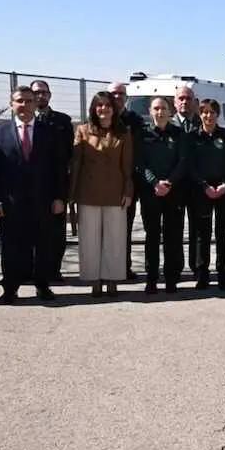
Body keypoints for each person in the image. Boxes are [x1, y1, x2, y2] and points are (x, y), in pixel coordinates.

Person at [0, 86, 68, 303]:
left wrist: (59, 197)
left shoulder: (49, 132)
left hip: (43, 201)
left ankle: (42, 286)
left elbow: (59, 168)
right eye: (19, 101)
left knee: (44, 246)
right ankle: (10, 289)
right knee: (12, 247)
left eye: (29, 101)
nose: (24, 105)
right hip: (11, 202)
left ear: (35, 104)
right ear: (11, 104)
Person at [70, 91, 134, 297]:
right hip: (88, 193)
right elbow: (76, 163)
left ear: (113, 109)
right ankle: (94, 280)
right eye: (99, 105)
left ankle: (113, 279)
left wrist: (128, 191)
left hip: (116, 194)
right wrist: (72, 195)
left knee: (115, 239)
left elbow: (127, 167)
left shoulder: (124, 133)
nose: (103, 109)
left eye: (107, 105)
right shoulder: (82, 130)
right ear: (93, 109)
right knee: (89, 239)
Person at [137, 96, 188, 293]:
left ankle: (171, 278)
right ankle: (151, 279)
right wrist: (154, 182)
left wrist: (169, 182)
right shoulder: (143, 134)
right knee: (152, 237)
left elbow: (182, 161)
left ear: (170, 111)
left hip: (173, 192)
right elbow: (140, 163)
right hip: (151, 193)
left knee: (172, 237)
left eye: (163, 108)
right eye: (156, 108)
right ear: (150, 111)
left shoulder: (179, 134)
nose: (160, 112)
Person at [189, 99, 225, 290]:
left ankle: (223, 274)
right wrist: (204, 186)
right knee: (202, 234)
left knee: (222, 234)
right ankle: (202, 275)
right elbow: (190, 166)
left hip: (224, 190)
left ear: (218, 115)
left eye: (212, 112)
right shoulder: (193, 137)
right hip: (202, 191)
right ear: (200, 114)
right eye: (205, 112)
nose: (208, 116)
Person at [30, 79, 73, 282]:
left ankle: (54, 269)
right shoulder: (24, 120)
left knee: (56, 232)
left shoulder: (63, 121)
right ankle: (31, 270)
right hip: (30, 186)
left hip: (56, 183)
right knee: (31, 231)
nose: (40, 96)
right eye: (36, 92)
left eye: (44, 92)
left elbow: (70, 154)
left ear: (50, 95)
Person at [108, 81, 144, 281]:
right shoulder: (98, 117)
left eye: (121, 94)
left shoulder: (134, 120)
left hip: (127, 183)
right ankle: (106, 268)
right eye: (114, 93)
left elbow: (137, 150)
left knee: (125, 228)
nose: (117, 97)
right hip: (103, 184)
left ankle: (124, 267)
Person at [171, 85, 201, 278]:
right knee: (174, 228)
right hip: (174, 185)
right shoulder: (168, 123)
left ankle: (198, 267)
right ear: (174, 102)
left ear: (194, 102)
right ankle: (174, 267)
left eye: (188, 98)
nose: (184, 102)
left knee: (197, 228)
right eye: (181, 98)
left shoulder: (203, 121)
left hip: (197, 184)